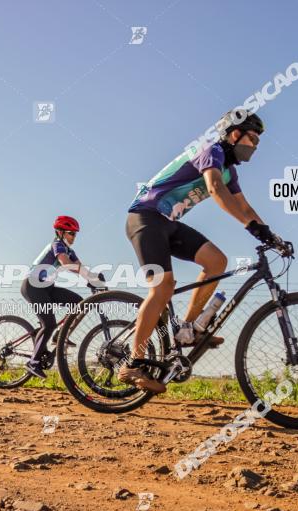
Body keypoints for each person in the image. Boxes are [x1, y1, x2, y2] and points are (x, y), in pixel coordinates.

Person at [119, 110, 282, 393]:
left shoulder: (230, 169)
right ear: (234, 134)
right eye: (252, 138)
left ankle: (189, 329)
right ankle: (134, 362)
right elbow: (216, 189)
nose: (255, 146)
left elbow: (244, 207)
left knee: (216, 261)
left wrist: (271, 234)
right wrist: (251, 227)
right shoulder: (212, 150)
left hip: (167, 223)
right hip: (145, 217)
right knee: (162, 288)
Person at [21, 216, 104, 379]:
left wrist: (93, 279)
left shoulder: (69, 250)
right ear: (60, 232)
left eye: (75, 234)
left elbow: (80, 266)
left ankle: (61, 334)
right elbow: (66, 263)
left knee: (80, 304)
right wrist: (89, 277)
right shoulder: (56, 244)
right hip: (33, 285)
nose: (73, 237)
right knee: (49, 324)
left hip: (47, 287)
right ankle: (33, 362)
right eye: (70, 233)